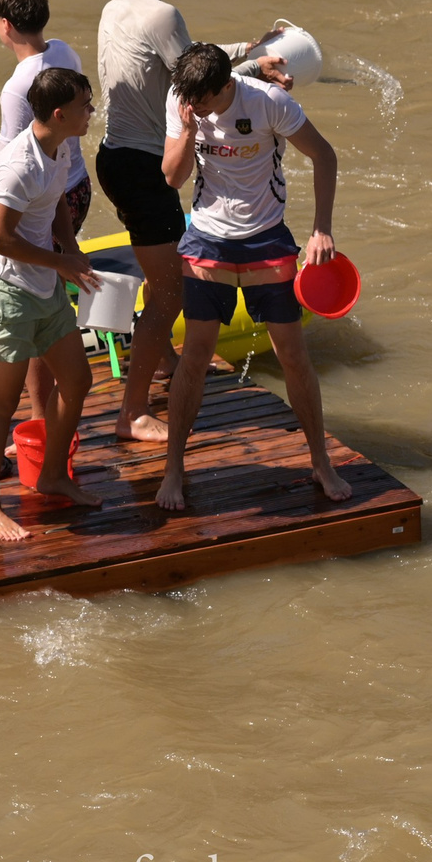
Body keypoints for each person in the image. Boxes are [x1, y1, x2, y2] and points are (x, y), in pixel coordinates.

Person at [93, 0, 290, 447]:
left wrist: (247, 50)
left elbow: (188, 61)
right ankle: (131, 413)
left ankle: (163, 362)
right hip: (144, 166)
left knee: (164, 275)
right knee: (170, 292)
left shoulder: (116, 5)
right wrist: (260, 71)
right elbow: (196, 83)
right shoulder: (163, 13)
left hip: (112, 158)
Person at [155, 44, 347, 513]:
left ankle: (320, 461)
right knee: (195, 356)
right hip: (207, 240)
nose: (195, 105)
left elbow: (324, 156)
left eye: (203, 100)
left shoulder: (268, 102)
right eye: (189, 99)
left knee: (294, 357)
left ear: (226, 86)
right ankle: (173, 468)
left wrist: (322, 228)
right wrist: (186, 130)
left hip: (266, 238)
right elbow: (172, 178)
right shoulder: (183, 103)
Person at [0, 66, 104, 542]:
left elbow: (58, 211)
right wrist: (58, 262)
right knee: (2, 402)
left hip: (45, 285)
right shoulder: (17, 165)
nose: (92, 111)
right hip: (5, 291)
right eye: (86, 105)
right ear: (60, 113)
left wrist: (70, 253)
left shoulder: (62, 146)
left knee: (78, 379)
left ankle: (51, 475)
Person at [0, 0, 92, 418]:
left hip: (47, 195)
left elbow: (18, 162)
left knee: (41, 296)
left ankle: (41, 416)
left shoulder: (17, 87)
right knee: (52, 289)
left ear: (4, 26)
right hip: (76, 186)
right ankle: (50, 413)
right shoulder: (64, 52)